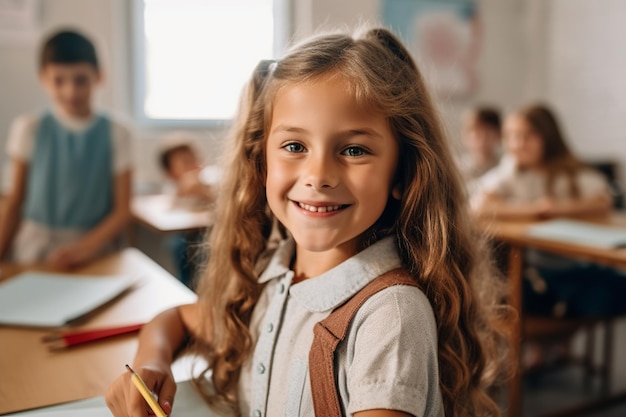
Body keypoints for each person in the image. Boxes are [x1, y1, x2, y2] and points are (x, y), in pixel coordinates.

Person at [106, 27, 507, 417]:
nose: (318, 175)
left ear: (402, 173)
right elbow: (174, 320)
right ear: (261, 161)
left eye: (353, 149)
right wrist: (152, 364)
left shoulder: (389, 317)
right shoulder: (273, 274)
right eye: (295, 146)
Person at [473, 104, 626, 365]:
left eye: (526, 135)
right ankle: (552, 342)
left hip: (574, 263)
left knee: (605, 288)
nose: (517, 144)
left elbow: (603, 201)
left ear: (548, 136)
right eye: (511, 136)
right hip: (538, 270)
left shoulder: (568, 172)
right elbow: (480, 206)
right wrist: (534, 209)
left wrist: (558, 209)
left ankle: (553, 342)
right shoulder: (511, 170)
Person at [0, 29, 132, 269]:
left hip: (95, 250)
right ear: (43, 79)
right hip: (35, 249)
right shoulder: (29, 128)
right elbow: (14, 201)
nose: (70, 91)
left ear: (99, 76)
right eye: (59, 81)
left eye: (81, 80)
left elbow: (123, 210)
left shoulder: (118, 132)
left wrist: (83, 248)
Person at [157, 132, 218, 288]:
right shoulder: (174, 190)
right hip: (184, 238)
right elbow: (170, 214)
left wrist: (204, 192)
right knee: (178, 246)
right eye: (186, 162)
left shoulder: (211, 180)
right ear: (170, 173)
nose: (195, 164)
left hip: (210, 235)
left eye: (196, 158)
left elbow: (223, 205)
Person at [457, 106, 502, 186]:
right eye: (474, 130)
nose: (481, 136)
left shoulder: (505, 166)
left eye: (487, 131)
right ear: (463, 134)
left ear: (499, 134)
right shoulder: (456, 169)